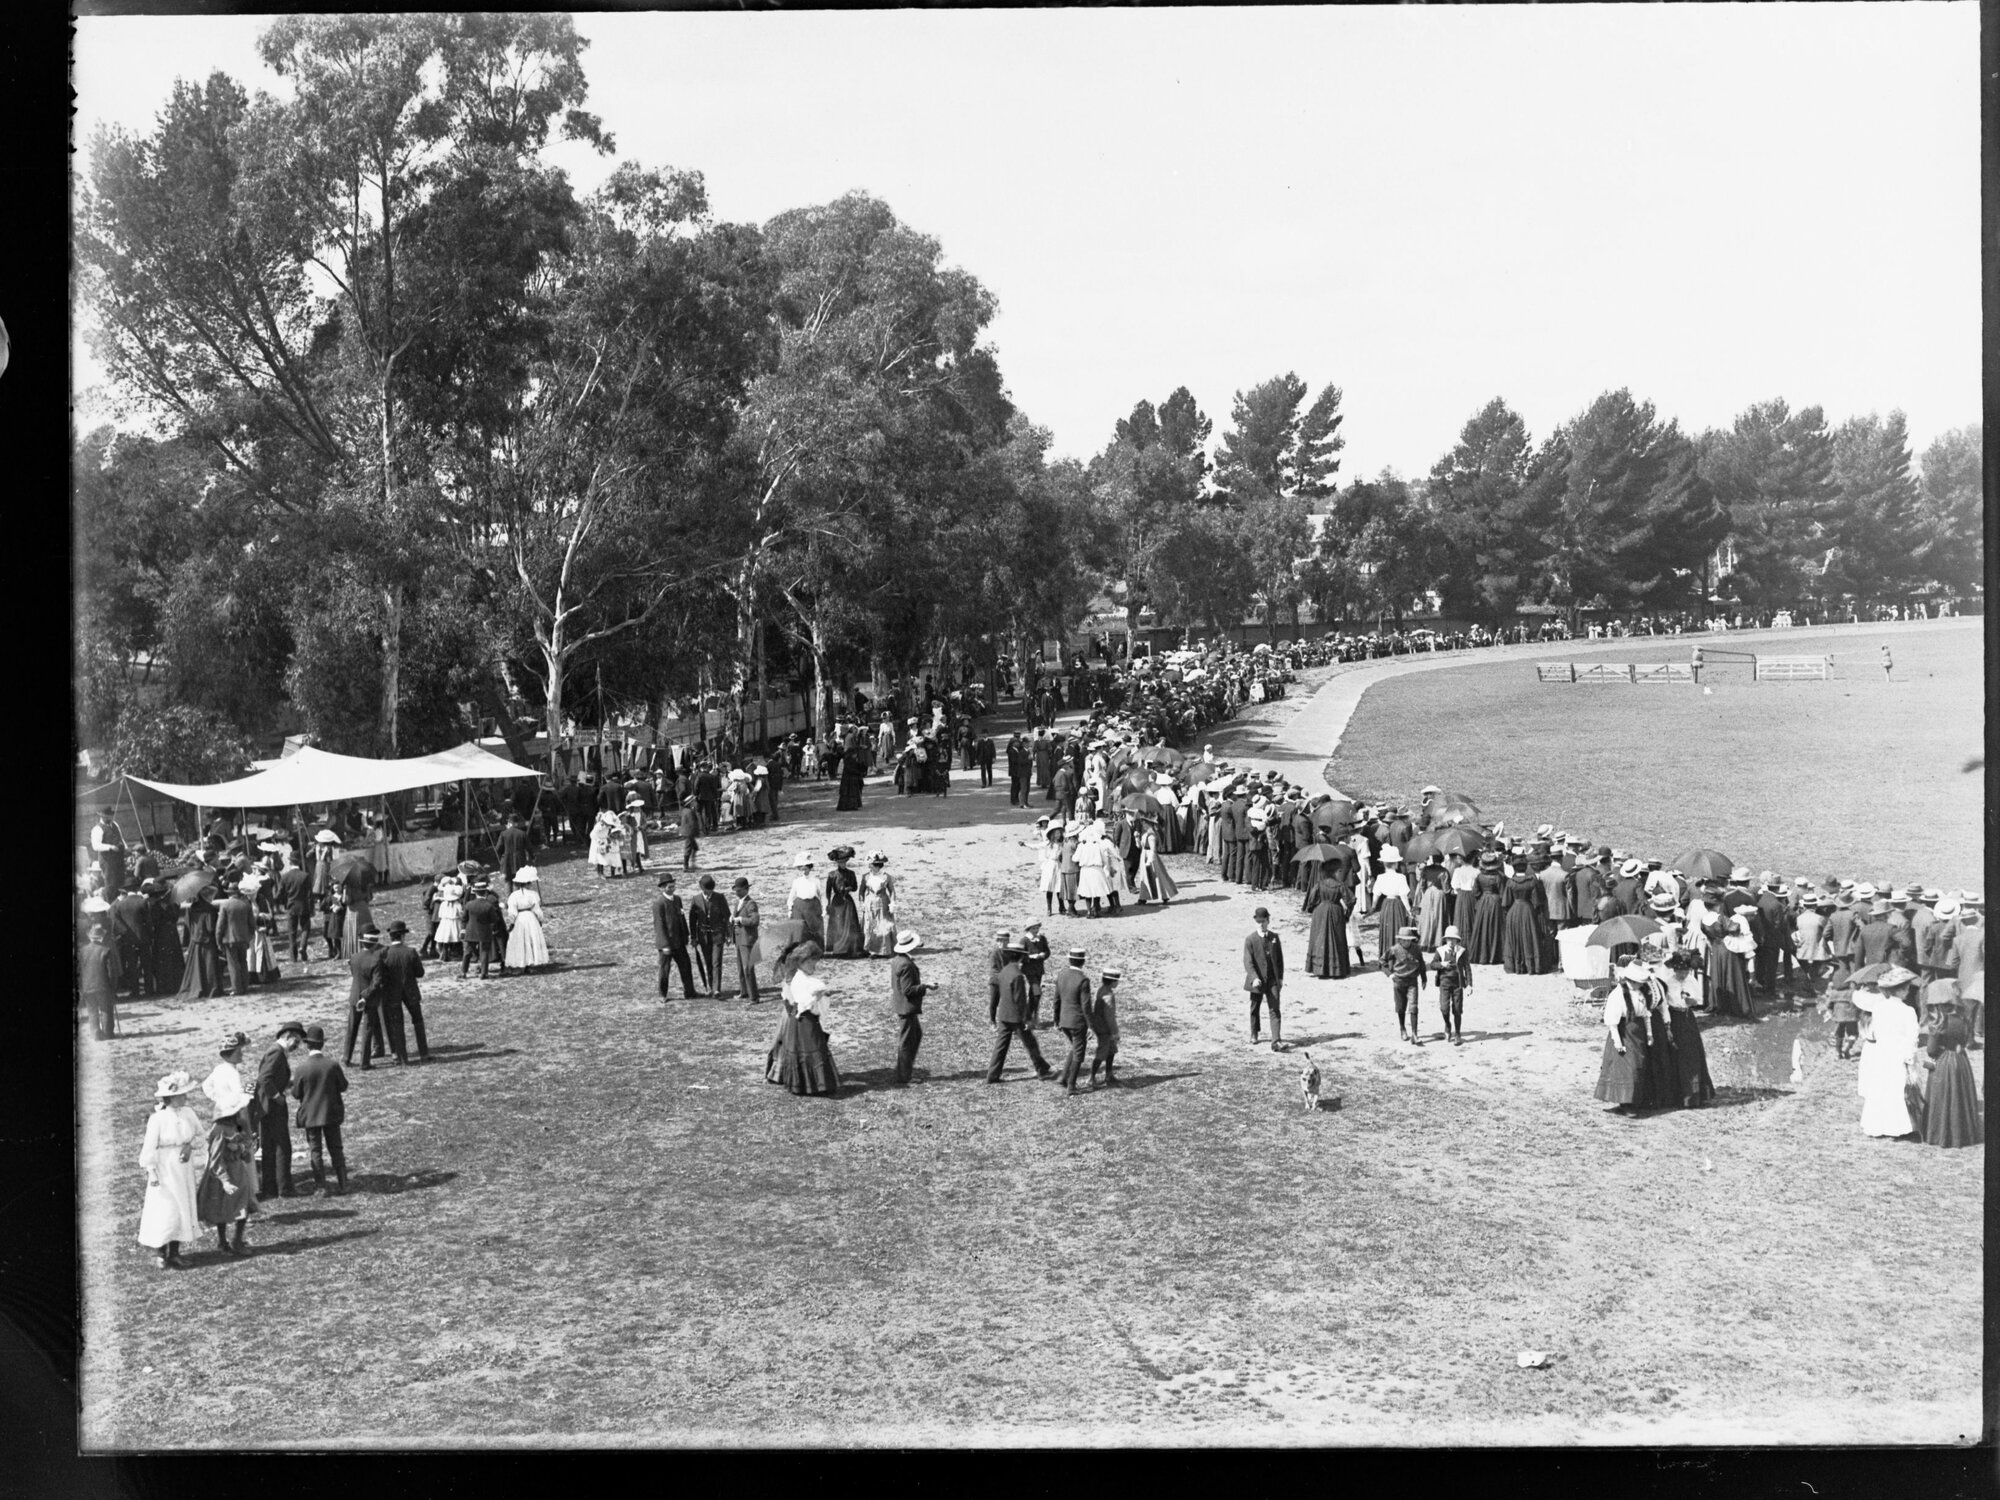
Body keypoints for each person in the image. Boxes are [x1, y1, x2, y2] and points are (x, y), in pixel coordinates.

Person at [137, 1071, 204, 1269]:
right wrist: (152, 1171)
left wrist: (189, 1146)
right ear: (170, 1097)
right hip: (164, 1166)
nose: (185, 1097)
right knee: (165, 1207)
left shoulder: (188, 1113)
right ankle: (160, 1252)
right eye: (181, 1094)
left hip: (183, 1166)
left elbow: (200, 1135)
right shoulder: (157, 1119)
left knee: (182, 1206)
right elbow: (149, 1147)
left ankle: (175, 1252)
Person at [766, 940, 841, 1097]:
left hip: (805, 1019)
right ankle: (811, 1085)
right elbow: (802, 1002)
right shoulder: (798, 979)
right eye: (811, 963)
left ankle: (813, 1085)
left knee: (812, 1049)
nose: (814, 966)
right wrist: (816, 996)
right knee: (811, 1049)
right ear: (801, 962)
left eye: (815, 963)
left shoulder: (804, 977)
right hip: (802, 1020)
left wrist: (821, 994)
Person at [1854, 967, 1922, 1139]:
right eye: (1906, 988)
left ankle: (1878, 1125)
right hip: (1899, 1054)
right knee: (1899, 1090)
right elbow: (1912, 1038)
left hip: (1882, 1054)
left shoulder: (1879, 1008)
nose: (1907, 992)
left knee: (1881, 1089)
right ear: (1898, 990)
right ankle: (1899, 1126)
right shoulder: (1908, 1011)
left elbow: (1876, 1033)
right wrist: (1909, 1057)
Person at [198, 1068, 259, 1256]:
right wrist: (224, 1179)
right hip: (223, 1174)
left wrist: (244, 1149)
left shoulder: (234, 1128)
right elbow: (216, 1158)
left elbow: (243, 1151)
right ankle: (223, 1241)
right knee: (222, 1209)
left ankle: (237, 1240)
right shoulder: (219, 1131)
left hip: (238, 1170)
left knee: (243, 1204)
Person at [1594, 960, 1661, 1115]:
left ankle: (1638, 1100)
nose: (1639, 985)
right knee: (1627, 1068)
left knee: (1640, 1065)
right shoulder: (1618, 995)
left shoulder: (1640, 994)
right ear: (1629, 980)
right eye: (1637, 982)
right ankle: (1626, 1103)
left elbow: (1646, 1015)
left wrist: (1649, 1034)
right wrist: (1617, 1042)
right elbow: (1612, 1022)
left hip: (1638, 1033)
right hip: (1624, 1033)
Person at [1917, 989, 1981, 1149]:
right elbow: (1968, 1042)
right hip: (1961, 1062)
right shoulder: (1964, 1021)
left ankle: (1940, 1133)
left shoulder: (1939, 1023)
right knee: (1959, 1097)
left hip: (1944, 1062)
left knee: (1942, 1098)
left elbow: (1931, 1050)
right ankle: (1962, 1134)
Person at [291, 1024, 349, 1194]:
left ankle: (321, 1186)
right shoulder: (332, 1065)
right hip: (331, 1113)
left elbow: (295, 1093)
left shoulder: (302, 1068)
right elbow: (343, 1086)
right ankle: (343, 1184)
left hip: (311, 1116)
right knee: (336, 1148)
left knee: (315, 1151)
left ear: (307, 1045)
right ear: (322, 1044)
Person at [986, 941, 1055, 1083]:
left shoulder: (1004, 971)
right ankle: (1042, 1070)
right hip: (1016, 1018)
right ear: (1019, 956)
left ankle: (992, 1075)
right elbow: (1020, 1001)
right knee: (1031, 1044)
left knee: (1001, 1046)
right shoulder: (1017, 975)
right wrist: (1027, 1020)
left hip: (1004, 1015)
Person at [256, 1022, 303, 1196]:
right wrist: (277, 1096)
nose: (297, 1046)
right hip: (273, 1106)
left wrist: (288, 1083)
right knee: (282, 1147)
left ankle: (270, 1187)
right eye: (296, 1042)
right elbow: (264, 1079)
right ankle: (285, 1188)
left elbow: (271, 1078)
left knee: (269, 1146)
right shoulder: (276, 1052)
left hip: (266, 1106)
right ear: (287, 1036)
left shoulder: (276, 1052)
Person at [341, 926, 392, 1069]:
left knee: (352, 1028)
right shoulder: (376, 960)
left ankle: (346, 1057)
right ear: (375, 943)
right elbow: (376, 982)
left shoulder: (354, 957)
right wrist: (366, 996)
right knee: (367, 1029)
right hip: (369, 999)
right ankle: (364, 1061)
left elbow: (354, 974)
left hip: (354, 995)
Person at [379, 922, 430, 1063]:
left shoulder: (385, 953)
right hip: (411, 991)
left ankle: (402, 1058)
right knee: (418, 1021)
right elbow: (420, 973)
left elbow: (382, 975)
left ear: (390, 936)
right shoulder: (411, 952)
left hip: (392, 993)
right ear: (402, 936)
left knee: (397, 1025)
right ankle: (423, 1053)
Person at [888, 930, 930, 1086]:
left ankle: (905, 1072)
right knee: (907, 1041)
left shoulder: (897, 961)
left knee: (915, 1035)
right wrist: (925, 987)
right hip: (907, 1008)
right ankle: (904, 1076)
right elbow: (908, 990)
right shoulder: (906, 964)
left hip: (902, 1006)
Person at [1053, 947, 1094, 1096]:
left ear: (1069, 959)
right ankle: (1071, 1085)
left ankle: (1064, 1077)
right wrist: (1091, 1025)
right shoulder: (1083, 980)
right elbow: (1086, 1006)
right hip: (1077, 1022)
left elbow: (1056, 999)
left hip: (1064, 1020)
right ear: (1083, 962)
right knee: (1079, 1052)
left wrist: (1056, 1019)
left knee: (1075, 1046)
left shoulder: (1061, 975)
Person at [1244, 907, 1286, 1051]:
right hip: (1257, 980)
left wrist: (1280, 978)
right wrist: (1254, 978)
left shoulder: (1274, 938)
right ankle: (1254, 1032)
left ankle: (1276, 1041)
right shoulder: (1250, 940)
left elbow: (1279, 960)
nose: (1261, 924)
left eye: (1263, 921)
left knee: (1275, 1009)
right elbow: (1248, 962)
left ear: (1268, 921)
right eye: (1258, 922)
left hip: (1272, 980)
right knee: (1255, 1008)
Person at [1500, 861, 1552, 975]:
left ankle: (1516, 965)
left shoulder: (1510, 882)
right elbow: (1537, 902)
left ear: (1514, 868)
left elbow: (1505, 903)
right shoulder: (1531, 882)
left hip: (1514, 911)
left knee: (1515, 937)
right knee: (1529, 936)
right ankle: (1531, 966)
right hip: (1527, 910)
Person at [653, 874, 698, 1001]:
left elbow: (682, 918)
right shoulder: (659, 904)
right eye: (669, 887)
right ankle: (662, 995)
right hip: (667, 944)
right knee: (664, 970)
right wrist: (665, 945)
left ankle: (690, 992)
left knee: (686, 967)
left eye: (673, 886)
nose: (672, 888)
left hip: (679, 942)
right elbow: (659, 925)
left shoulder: (677, 899)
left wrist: (687, 936)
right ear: (662, 888)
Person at [688, 875, 730, 997]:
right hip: (703, 937)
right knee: (708, 962)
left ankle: (717, 989)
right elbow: (692, 920)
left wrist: (728, 934)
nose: (709, 891)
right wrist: (694, 937)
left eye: (711, 889)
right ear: (702, 888)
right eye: (707, 889)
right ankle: (711, 987)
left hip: (717, 935)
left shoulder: (720, 898)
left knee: (716, 962)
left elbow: (727, 916)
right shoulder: (696, 900)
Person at [79, 921, 122, 1042]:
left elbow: (79, 971)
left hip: (87, 986)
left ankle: (95, 1033)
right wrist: (113, 987)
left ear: (90, 937)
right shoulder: (106, 950)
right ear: (101, 936)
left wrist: (82, 987)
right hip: (103, 986)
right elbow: (111, 972)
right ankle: (108, 1033)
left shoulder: (82, 951)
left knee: (92, 1011)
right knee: (106, 1009)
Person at [1385, 925, 1427, 1045]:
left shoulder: (1416, 949)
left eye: (1409, 940)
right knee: (1401, 1007)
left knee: (1413, 1006)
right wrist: (1390, 974)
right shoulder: (1394, 949)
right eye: (1404, 940)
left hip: (1412, 982)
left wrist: (1424, 978)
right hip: (1399, 982)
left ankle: (1414, 1034)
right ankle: (1402, 1028)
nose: (1406, 942)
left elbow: (1422, 963)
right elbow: (1382, 962)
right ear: (1400, 940)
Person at [1431, 924, 1472, 1045]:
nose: (1451, 941)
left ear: (1457, 940)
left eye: (1453, 939)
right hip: (1444, 983)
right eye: (1449, 939)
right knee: (1444, 1008)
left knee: (1457, 1009)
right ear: (1445, 939)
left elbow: (1467, 969)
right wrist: (1441, 965)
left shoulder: (1462, 951)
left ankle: (1458, 1033)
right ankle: (1448, 1025)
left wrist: (1469, 984)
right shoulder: (1440, 951)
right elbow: (1432, 964)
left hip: (1458, 983)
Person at [504, 868, 550, 974]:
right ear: (528, 883)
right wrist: (540, 919)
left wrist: (511, 922)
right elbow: (537, 910)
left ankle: (522, 964)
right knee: (530, 939)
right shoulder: (533, 894)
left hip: (519, 919)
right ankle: (530, 963)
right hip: (530, 918)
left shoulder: (513, 895)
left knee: (521, 940)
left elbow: (512, 911)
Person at [460, 878, 507, 980]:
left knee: (468, 952)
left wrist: (463, 930)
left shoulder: (469, 904)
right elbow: (495, 919)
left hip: (471, 931)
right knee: (484, 952)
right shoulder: (489, 906)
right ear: (485, 892)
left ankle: (463, 972)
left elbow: (464, 918)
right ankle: (484, 973)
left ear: (475, 892)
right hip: (484, 932)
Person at [822, 848, 865, 957]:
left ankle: (851, 948)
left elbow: (855, 887)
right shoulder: (832, 875)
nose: (843, 864)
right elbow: (828, 891)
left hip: (848, 901)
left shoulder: (851, 873)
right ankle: (838, 948)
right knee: (838, 924)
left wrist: (848, 888)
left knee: (850, 923)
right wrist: (828, 903)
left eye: (844, 862)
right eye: (840, 862)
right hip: (837, 902)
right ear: (837, 863)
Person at [729, 877, 762, 1002]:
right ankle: (744, 991)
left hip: (747, 940)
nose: (736, 892)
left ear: (746, 889)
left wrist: (740, 920)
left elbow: (755, 921)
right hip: (739, 939)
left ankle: (754, 996)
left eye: (739, 890)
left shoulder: (751, 903)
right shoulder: (738, 902)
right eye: (736, 890)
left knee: (748, 968)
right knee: (740, 968)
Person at [1088, 968, 1122, 1085]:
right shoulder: (1109, 996)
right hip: (1105, 1029)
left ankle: (1109, 1074)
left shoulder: (1101, 990)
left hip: (1099, 1025)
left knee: (1111, 1050)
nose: (1118, 983)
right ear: (1112, 982)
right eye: (1117, 981)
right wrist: (1115, 1033)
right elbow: (1110, 1017)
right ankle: (1091, 1077)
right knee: (1102, 1052)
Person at [860, 853, 898, 957]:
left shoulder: (886, 877)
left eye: (871, 864)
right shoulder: (866, 877)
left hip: (883, 903)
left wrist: (892, 903)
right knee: (871, 926)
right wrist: (862, 902)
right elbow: (861, 891)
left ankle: (883, 950)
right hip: (870, 903)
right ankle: (872, 950)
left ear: (876, 865)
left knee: (882, 925)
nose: (869, 866)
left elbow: (892, 891)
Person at [1020, 918, 1051, 1027]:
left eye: (1037, 928)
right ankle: (1033, 1018)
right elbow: (1020, 956)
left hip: (1039, 969)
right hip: (1029, 970)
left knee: (1033, 994)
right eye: (1033, 928)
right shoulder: (1024, 940)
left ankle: (1028, 1019)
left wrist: (1043, 955)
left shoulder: (1042, 938)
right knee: (1036, 993)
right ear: (1028, 929)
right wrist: (1030, 957)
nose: (1036, 930)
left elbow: (1047, 951)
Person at [787, 854, 825, 945]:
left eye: (806, 869)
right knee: (800, 929)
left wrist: (824, 909)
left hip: (812, 907)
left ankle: (815, 949)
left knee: (814, 928)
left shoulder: (815, 881)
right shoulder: (797, 882)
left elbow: (822, 896)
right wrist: (789, 909)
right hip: (799, 907)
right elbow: (791, 896)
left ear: (810, 868)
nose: (804, 872)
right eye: (802, 869)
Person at [836, 738, 868, 812]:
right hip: (848, 779)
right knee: (848, 793)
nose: (856, 755)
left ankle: (853, 805)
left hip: (853, 779)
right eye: (855, 754)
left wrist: (862, 767)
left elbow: (858, 766)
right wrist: (857, 772)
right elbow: (849, 769)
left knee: (853, 793)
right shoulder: (848, 760)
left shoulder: (853, 759)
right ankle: (847, 806)